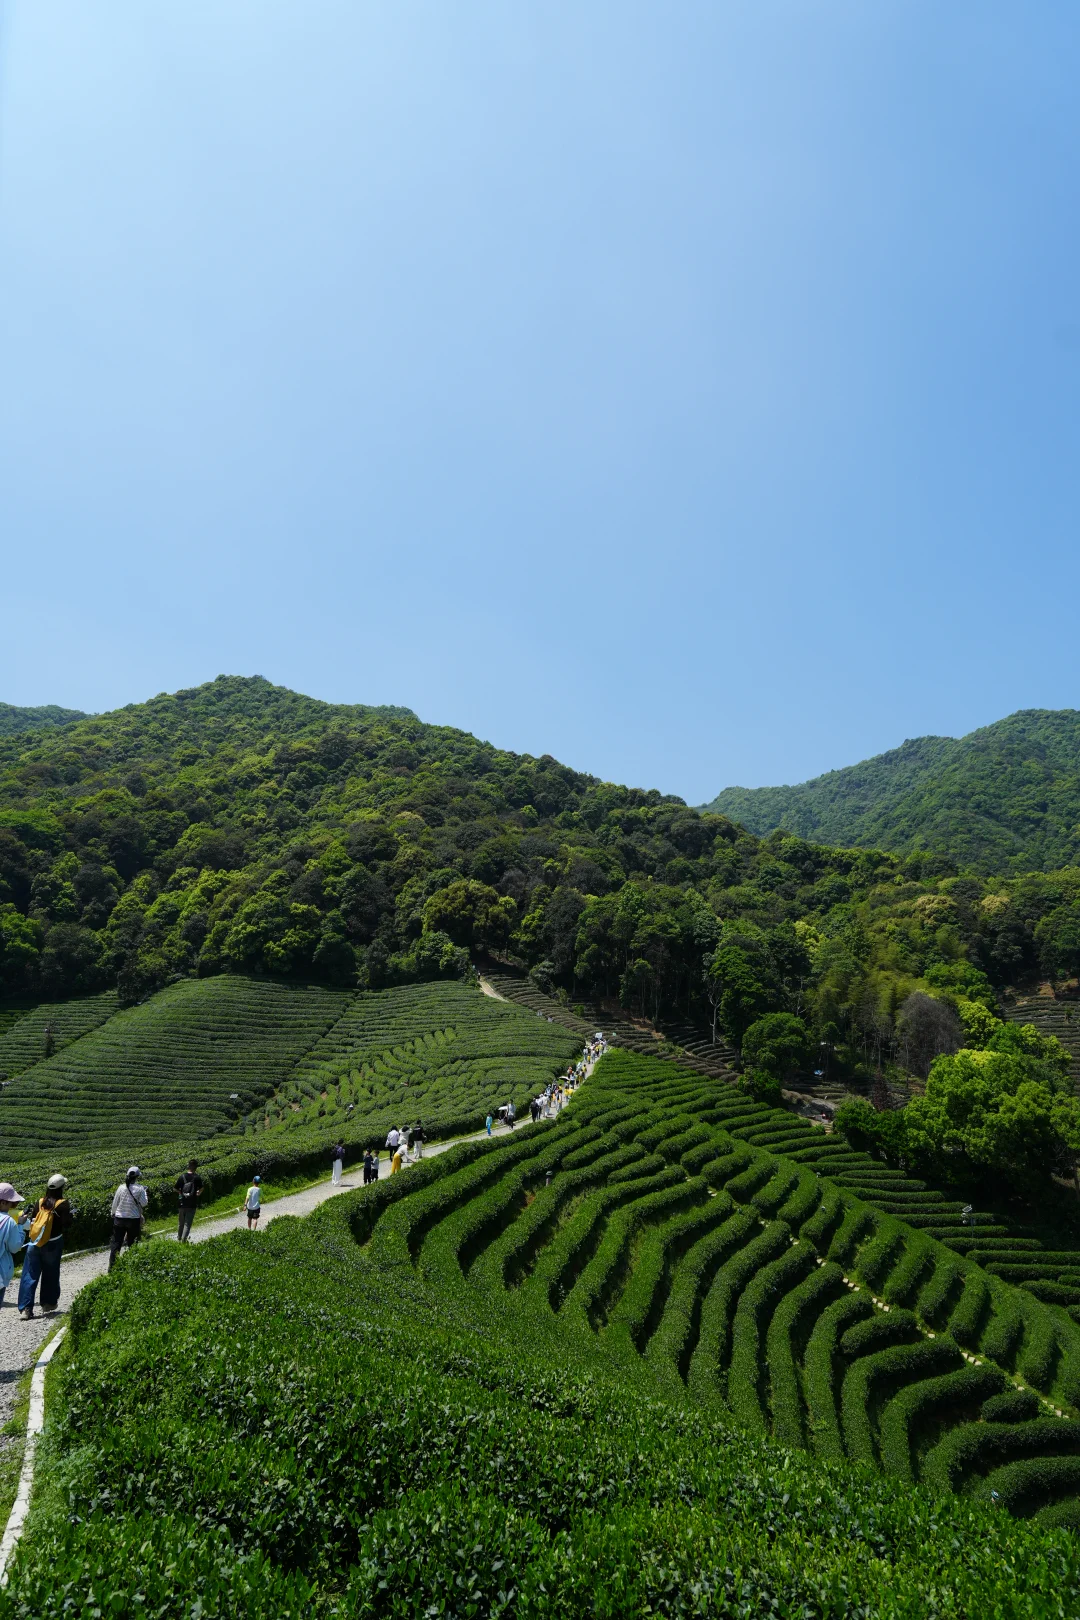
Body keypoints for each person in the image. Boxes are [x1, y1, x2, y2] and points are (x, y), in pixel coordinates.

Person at [19, 1174, 74, 1319]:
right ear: (61, 1188)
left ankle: (26, 1309)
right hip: (53, 1243)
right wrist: (71, 1217)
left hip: (35, 1242)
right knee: (51, 1273)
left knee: (30, 1274)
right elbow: (66, 1225)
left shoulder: (40, 1202)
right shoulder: (63, 1204)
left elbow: (33, 1220)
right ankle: (48, 1303)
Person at [109, 1167, 148, 1272]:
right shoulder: (140, 1189)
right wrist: (145, 1192)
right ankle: (133, 1267)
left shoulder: (121, 1187)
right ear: (137, 1177)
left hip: (119, 1219)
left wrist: (113, 1213)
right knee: (132, 1243)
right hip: (133, 1220)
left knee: (116, 1243)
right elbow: (144, 1203)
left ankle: (112, 1268)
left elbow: (115, 1202)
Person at [0, 1184, 26, 1308]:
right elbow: (15, 1247)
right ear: (3, 1203)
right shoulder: (8, 1221)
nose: (12, 1205)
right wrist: (20, 1226)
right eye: (11, 1202)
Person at [174, 1159, 203, 1243]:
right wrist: (198, 1193)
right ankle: (183, 1241)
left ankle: (179, 1239)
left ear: (188, 1166)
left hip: (182, 1203)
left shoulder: (182, 1176)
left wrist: (180, 1192)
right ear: (196, 1167)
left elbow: (175, 1188)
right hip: (192, 1203)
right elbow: (202, 1188)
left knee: (181, 1223)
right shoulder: (197, 1177)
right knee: (187, 1224)